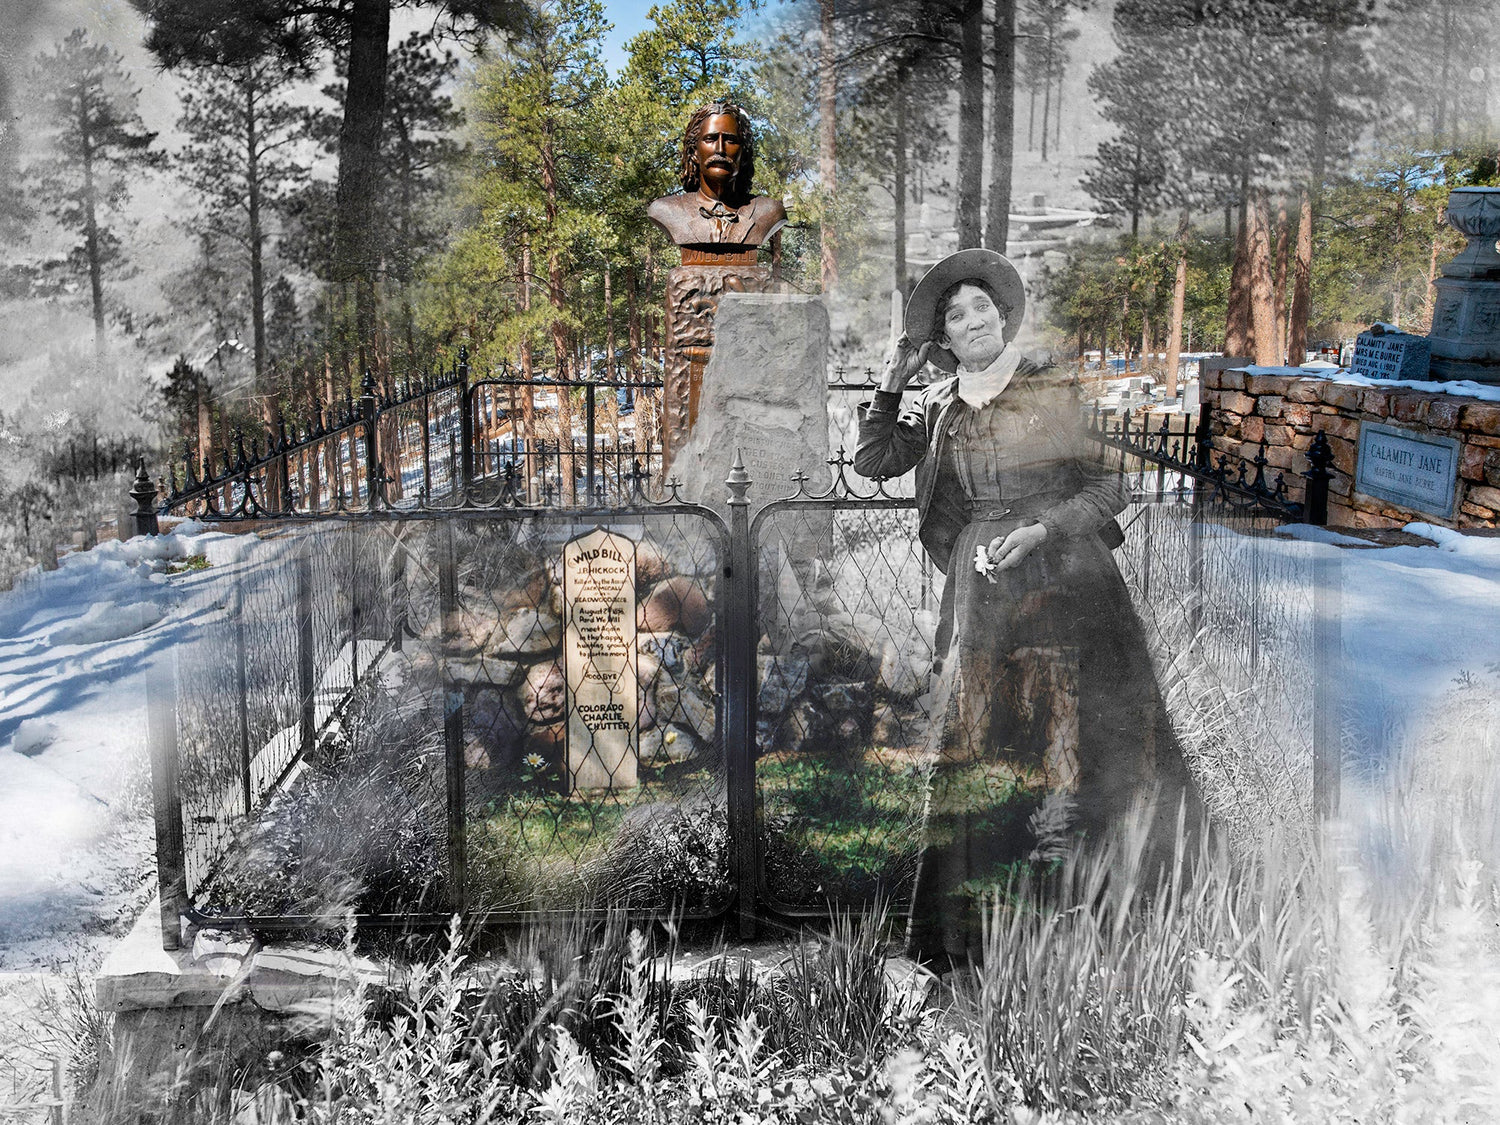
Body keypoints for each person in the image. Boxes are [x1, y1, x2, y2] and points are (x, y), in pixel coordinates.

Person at [853, 248, 1200, 965]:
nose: (974, 319)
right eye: (957, 313)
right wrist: (891, 384)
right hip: (985, 591)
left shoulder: (1052, 388)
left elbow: (1109, 489)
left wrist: (1042, 528)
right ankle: (986, 929)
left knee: (1089, 742)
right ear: (942, 339)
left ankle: (1110, 913)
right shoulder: (942, 405)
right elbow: (874, 462)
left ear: (1003, 316)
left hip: (1071, 580)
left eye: (984, 306)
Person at [647, 101, 787, 249]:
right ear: (694, 152)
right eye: (710, 139)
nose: (720, 149)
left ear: (743, 153)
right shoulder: (665, 210)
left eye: (730, 140)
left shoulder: (769, 212)